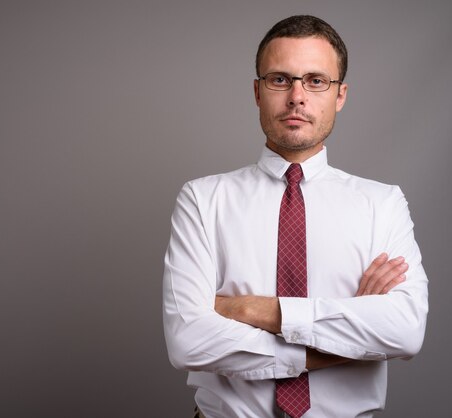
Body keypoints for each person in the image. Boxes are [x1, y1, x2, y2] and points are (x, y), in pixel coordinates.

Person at [162, 15, 428, 418]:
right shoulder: (202, 199)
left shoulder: (383, 204)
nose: (297, 97)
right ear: (257, 91)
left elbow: (405, 331)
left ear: (340, 95)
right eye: (280, 80)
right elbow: (188, 341)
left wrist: (256, 311)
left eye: (316, 81)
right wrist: (345, 339)